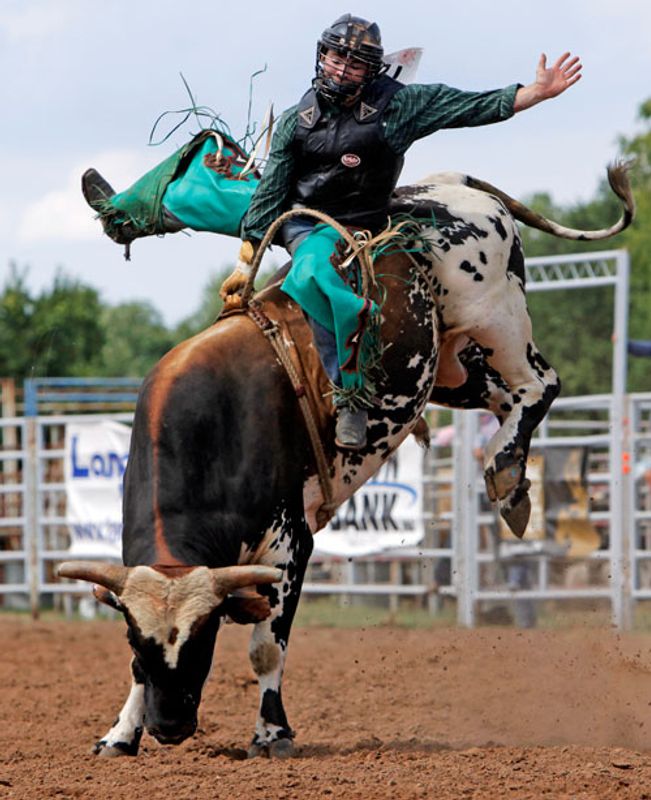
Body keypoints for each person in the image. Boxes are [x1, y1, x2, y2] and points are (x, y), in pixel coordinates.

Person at [82, 14, 582, 450]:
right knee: (197, 187)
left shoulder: (399, 107)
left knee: (311, 275)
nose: (340, 69)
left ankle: (352, 398)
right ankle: (121, 216)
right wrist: (246, 261)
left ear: (372, 70)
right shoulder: (298, 119)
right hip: (289, 210)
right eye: (333, 58)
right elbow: (271, 190)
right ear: (320, 57)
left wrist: (533, 93)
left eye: (353, 63)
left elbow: (466, 106)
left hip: (342, 225)